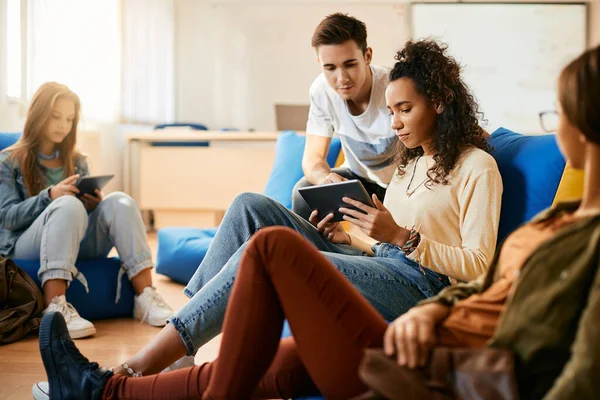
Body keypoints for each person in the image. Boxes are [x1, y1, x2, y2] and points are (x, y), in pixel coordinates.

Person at [37, 42, 600, 400]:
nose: (395, 122)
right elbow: (380, 245)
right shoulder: (410, 163)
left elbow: (476, 267)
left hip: (419, 287)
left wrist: (400, 236)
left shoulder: (478, 168)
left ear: (441, 102)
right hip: (383, 264)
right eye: (394, 109)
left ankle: (140, 367)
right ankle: (181, 343)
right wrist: (349, 235)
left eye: (405, 110)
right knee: (249, 207)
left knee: (276, 243)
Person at [0, 82, 173, 339]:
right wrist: (49, 196)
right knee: (67, 203)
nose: (62, 125)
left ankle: (145, 297)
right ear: (38, 115)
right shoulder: (9, 161)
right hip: (24, 244)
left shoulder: (77, 160)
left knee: (120, 202)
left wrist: (93, 205)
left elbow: (80, 214)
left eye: (69, 119)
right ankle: (56, 307)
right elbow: (7, 217)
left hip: (72, 239)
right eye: (55, 117)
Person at [291, 13, 398, 219]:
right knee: (303, 193)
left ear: (367, 56)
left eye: (350, 64)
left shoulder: (394, 87)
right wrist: (325, 179)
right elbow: (313, 160)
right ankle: (321, 252)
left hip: (404, 186)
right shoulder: (321, 90)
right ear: (319, 62)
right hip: (361, 184)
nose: (342, 79)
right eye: (330, 68)